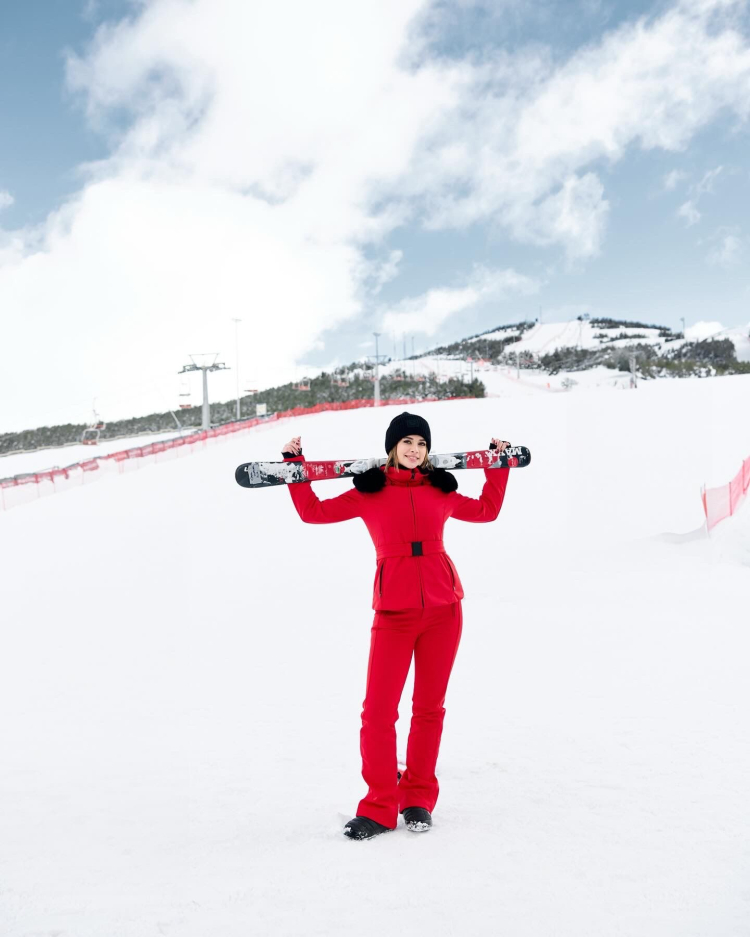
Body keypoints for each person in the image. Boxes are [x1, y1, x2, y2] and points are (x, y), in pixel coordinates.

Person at [280, 411, 510, 841]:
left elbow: (486, 511)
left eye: (421, 443)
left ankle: (418, 798)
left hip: (445, 610)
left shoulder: (440, 490)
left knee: (429, 709)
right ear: (392, 448)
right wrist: (297, 469)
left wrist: (497, 468)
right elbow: (312, 513)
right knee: (379, 712)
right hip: (394, 614)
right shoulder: (370, 492)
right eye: (406, 442)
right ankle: (380, 806)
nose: (414, 449)